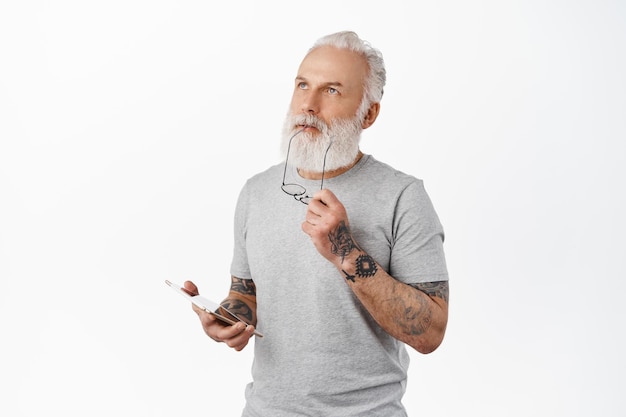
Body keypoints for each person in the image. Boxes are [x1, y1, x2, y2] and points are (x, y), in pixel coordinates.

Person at [184, 30, 449, 417]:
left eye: (331, 90)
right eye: (302, 85)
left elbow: (430, 333)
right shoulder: (256, 192)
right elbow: (246, 293)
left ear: (369, 113)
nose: (307, 104)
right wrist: (228, 316)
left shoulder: (403, 196)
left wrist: (345, 251)